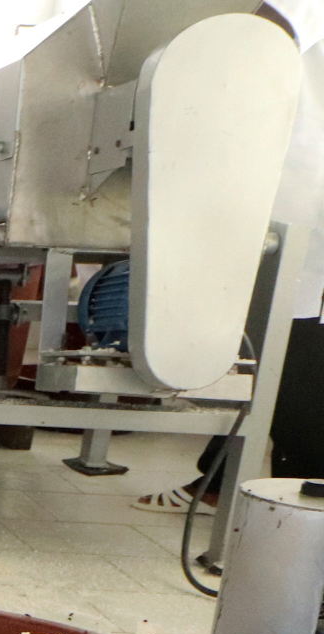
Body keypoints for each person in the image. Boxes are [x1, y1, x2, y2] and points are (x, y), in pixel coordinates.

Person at [136, 0, 321, 513]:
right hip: (294, 201)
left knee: (289, 347)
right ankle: (225, 481)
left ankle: (288, 508)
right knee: (280, 344)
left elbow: (247, 46)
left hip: (296, 203)